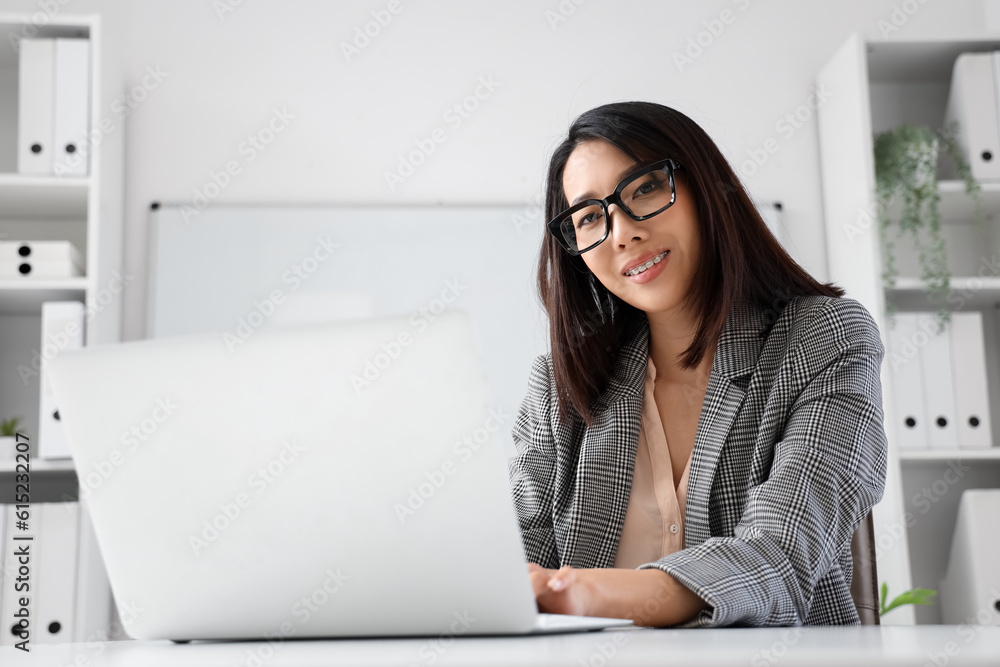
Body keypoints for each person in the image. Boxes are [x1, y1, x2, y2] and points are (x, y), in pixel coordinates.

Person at [507, 101, 888, 628]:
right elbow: (514, 560)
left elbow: (778, 557)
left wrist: (578, 591)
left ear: (706, 187)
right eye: (590, 217)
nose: (620, 234)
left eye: (643, 188)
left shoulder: (822, 340)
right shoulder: (559, 386)